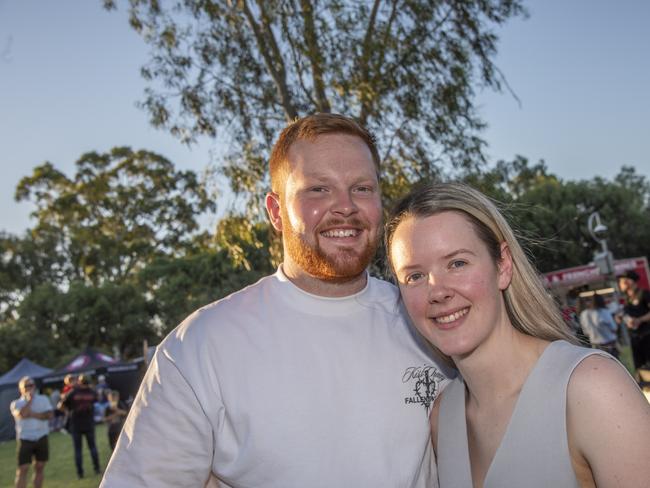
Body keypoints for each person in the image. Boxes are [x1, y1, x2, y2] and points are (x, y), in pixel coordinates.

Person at [101, 113, 448, 487]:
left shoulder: (433, 321)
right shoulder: (201, 346)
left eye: (362, 188)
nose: (345, 206)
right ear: (276, 211)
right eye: (318, 189)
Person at [385, 182, 650, 487]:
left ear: (504, 266)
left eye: (457, 263)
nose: (438, 292)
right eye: (415, 276)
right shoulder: (441, 419)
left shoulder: (591, 389)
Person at [10, 376, 53, 488]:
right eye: (26, 386)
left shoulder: (43, 399)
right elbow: (21, 414)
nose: (30, 388)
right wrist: (29, 401)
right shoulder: (16, 403)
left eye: (31, 385)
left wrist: (32, 414)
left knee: (39, 466)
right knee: (23, 468)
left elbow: (49, 415)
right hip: (25, 438)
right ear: (21, 389)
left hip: (41, 436)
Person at [60, 374, 101, 479]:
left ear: (79, 381)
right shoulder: (92, 392)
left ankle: (80, 473)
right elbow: (98, 400)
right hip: (88, 423)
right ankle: (97, 469)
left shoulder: (73, 392)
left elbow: (61, 406)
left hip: (76, 424)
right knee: (92, 447)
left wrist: (68, 411)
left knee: (78, 450)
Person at [618, 270, 650, 370]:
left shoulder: (644, 294)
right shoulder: (626, 299)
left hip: (647, 336)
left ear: (630, 281)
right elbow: (626, 316)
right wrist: (620, 318)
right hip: (634, 338)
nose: (621, 283)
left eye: (623, 281)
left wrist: (640, 320)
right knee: (640, 367)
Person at [579, 294, 619, 358]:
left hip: (595, 343)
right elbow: (614, 327)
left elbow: (585, 332)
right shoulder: (604, 311)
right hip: (608, 341)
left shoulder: (583, 314)